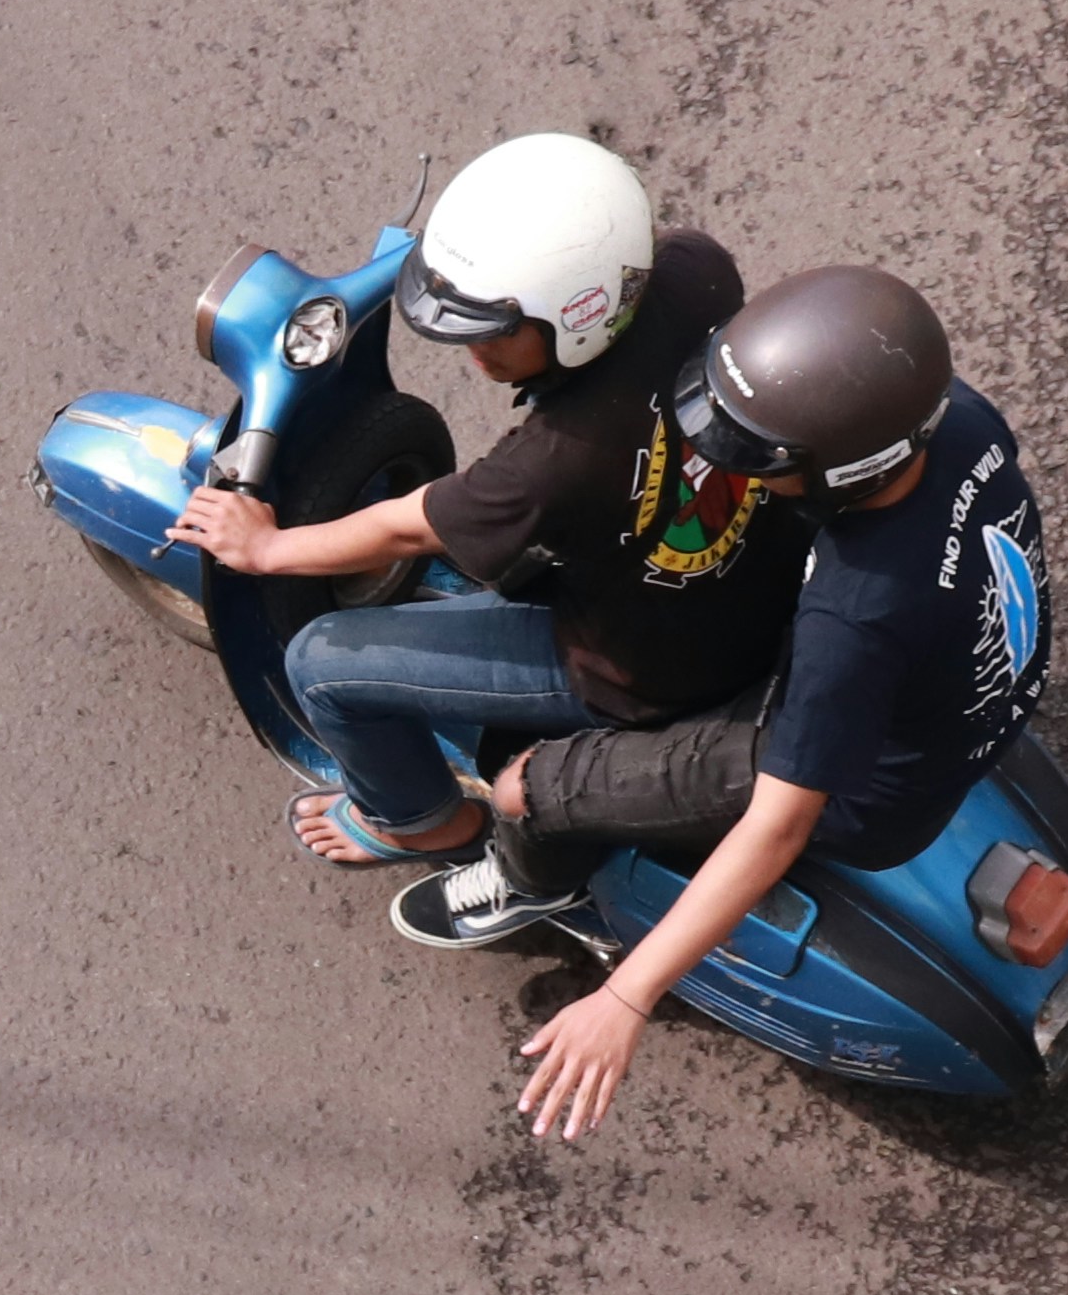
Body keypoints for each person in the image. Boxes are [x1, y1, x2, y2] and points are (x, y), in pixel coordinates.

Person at [394, 264, 1050, 1139]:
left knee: (521, 788)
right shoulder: (958, 421)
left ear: (844, 469)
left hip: (867, 795)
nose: (711, 458)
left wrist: (626, 997)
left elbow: (780, 823)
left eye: (756, 457)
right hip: (967, 701)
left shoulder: (854, 615)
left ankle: (532, 883)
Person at [183, 132, 805, 864]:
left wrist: (268, 546)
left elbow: (404, 530)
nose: (474, 352)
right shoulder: (699, 274)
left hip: (647, 673)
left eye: (495, 333)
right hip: (763, 589)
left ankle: (419, 821)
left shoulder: (547, 467)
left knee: (323, 663)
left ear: (581, 316)